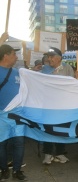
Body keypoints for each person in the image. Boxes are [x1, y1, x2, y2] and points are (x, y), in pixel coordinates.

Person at [42, 47, 74, 165]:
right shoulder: (45, 69)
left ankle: (60, 153)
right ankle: (48, 153)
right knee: (48, 129)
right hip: (48, 106)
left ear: (59, 58)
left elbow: (71, 84)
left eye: (51, 56)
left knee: (61, 129)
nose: (49, 59)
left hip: (62, 106)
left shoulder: (67, 68)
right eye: (48, 57)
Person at [0, 44, 27, 181]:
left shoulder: (18, 72)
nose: (16, 57)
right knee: (2, 143)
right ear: (5, 55)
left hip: (18, 115)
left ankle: (17, 170)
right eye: (13, 54)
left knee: (19, 143)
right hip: (2, 115)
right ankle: (4, 169)